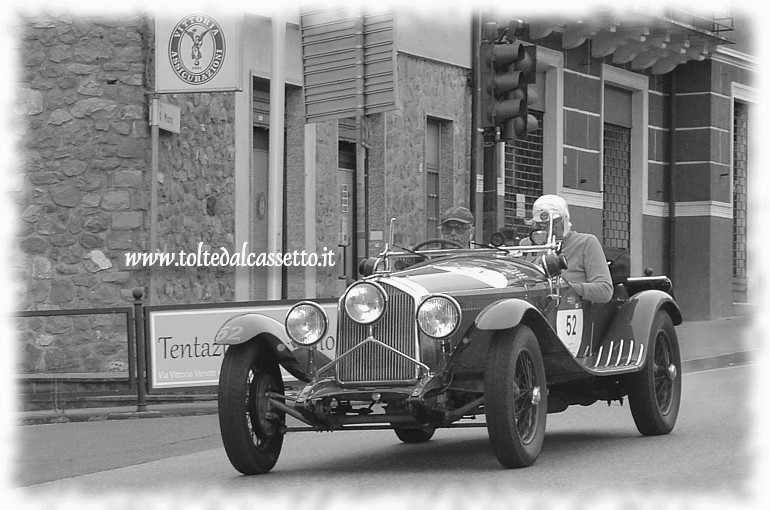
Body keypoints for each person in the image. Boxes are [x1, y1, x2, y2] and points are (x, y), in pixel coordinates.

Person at [528, 195, 613, 303]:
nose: (548, 229)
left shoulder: (586, 243)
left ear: (564, 220)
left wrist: (566, 288)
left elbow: (605, 291)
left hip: (570, 309)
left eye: (553, 223)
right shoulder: (527, 245)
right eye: (540, 225)